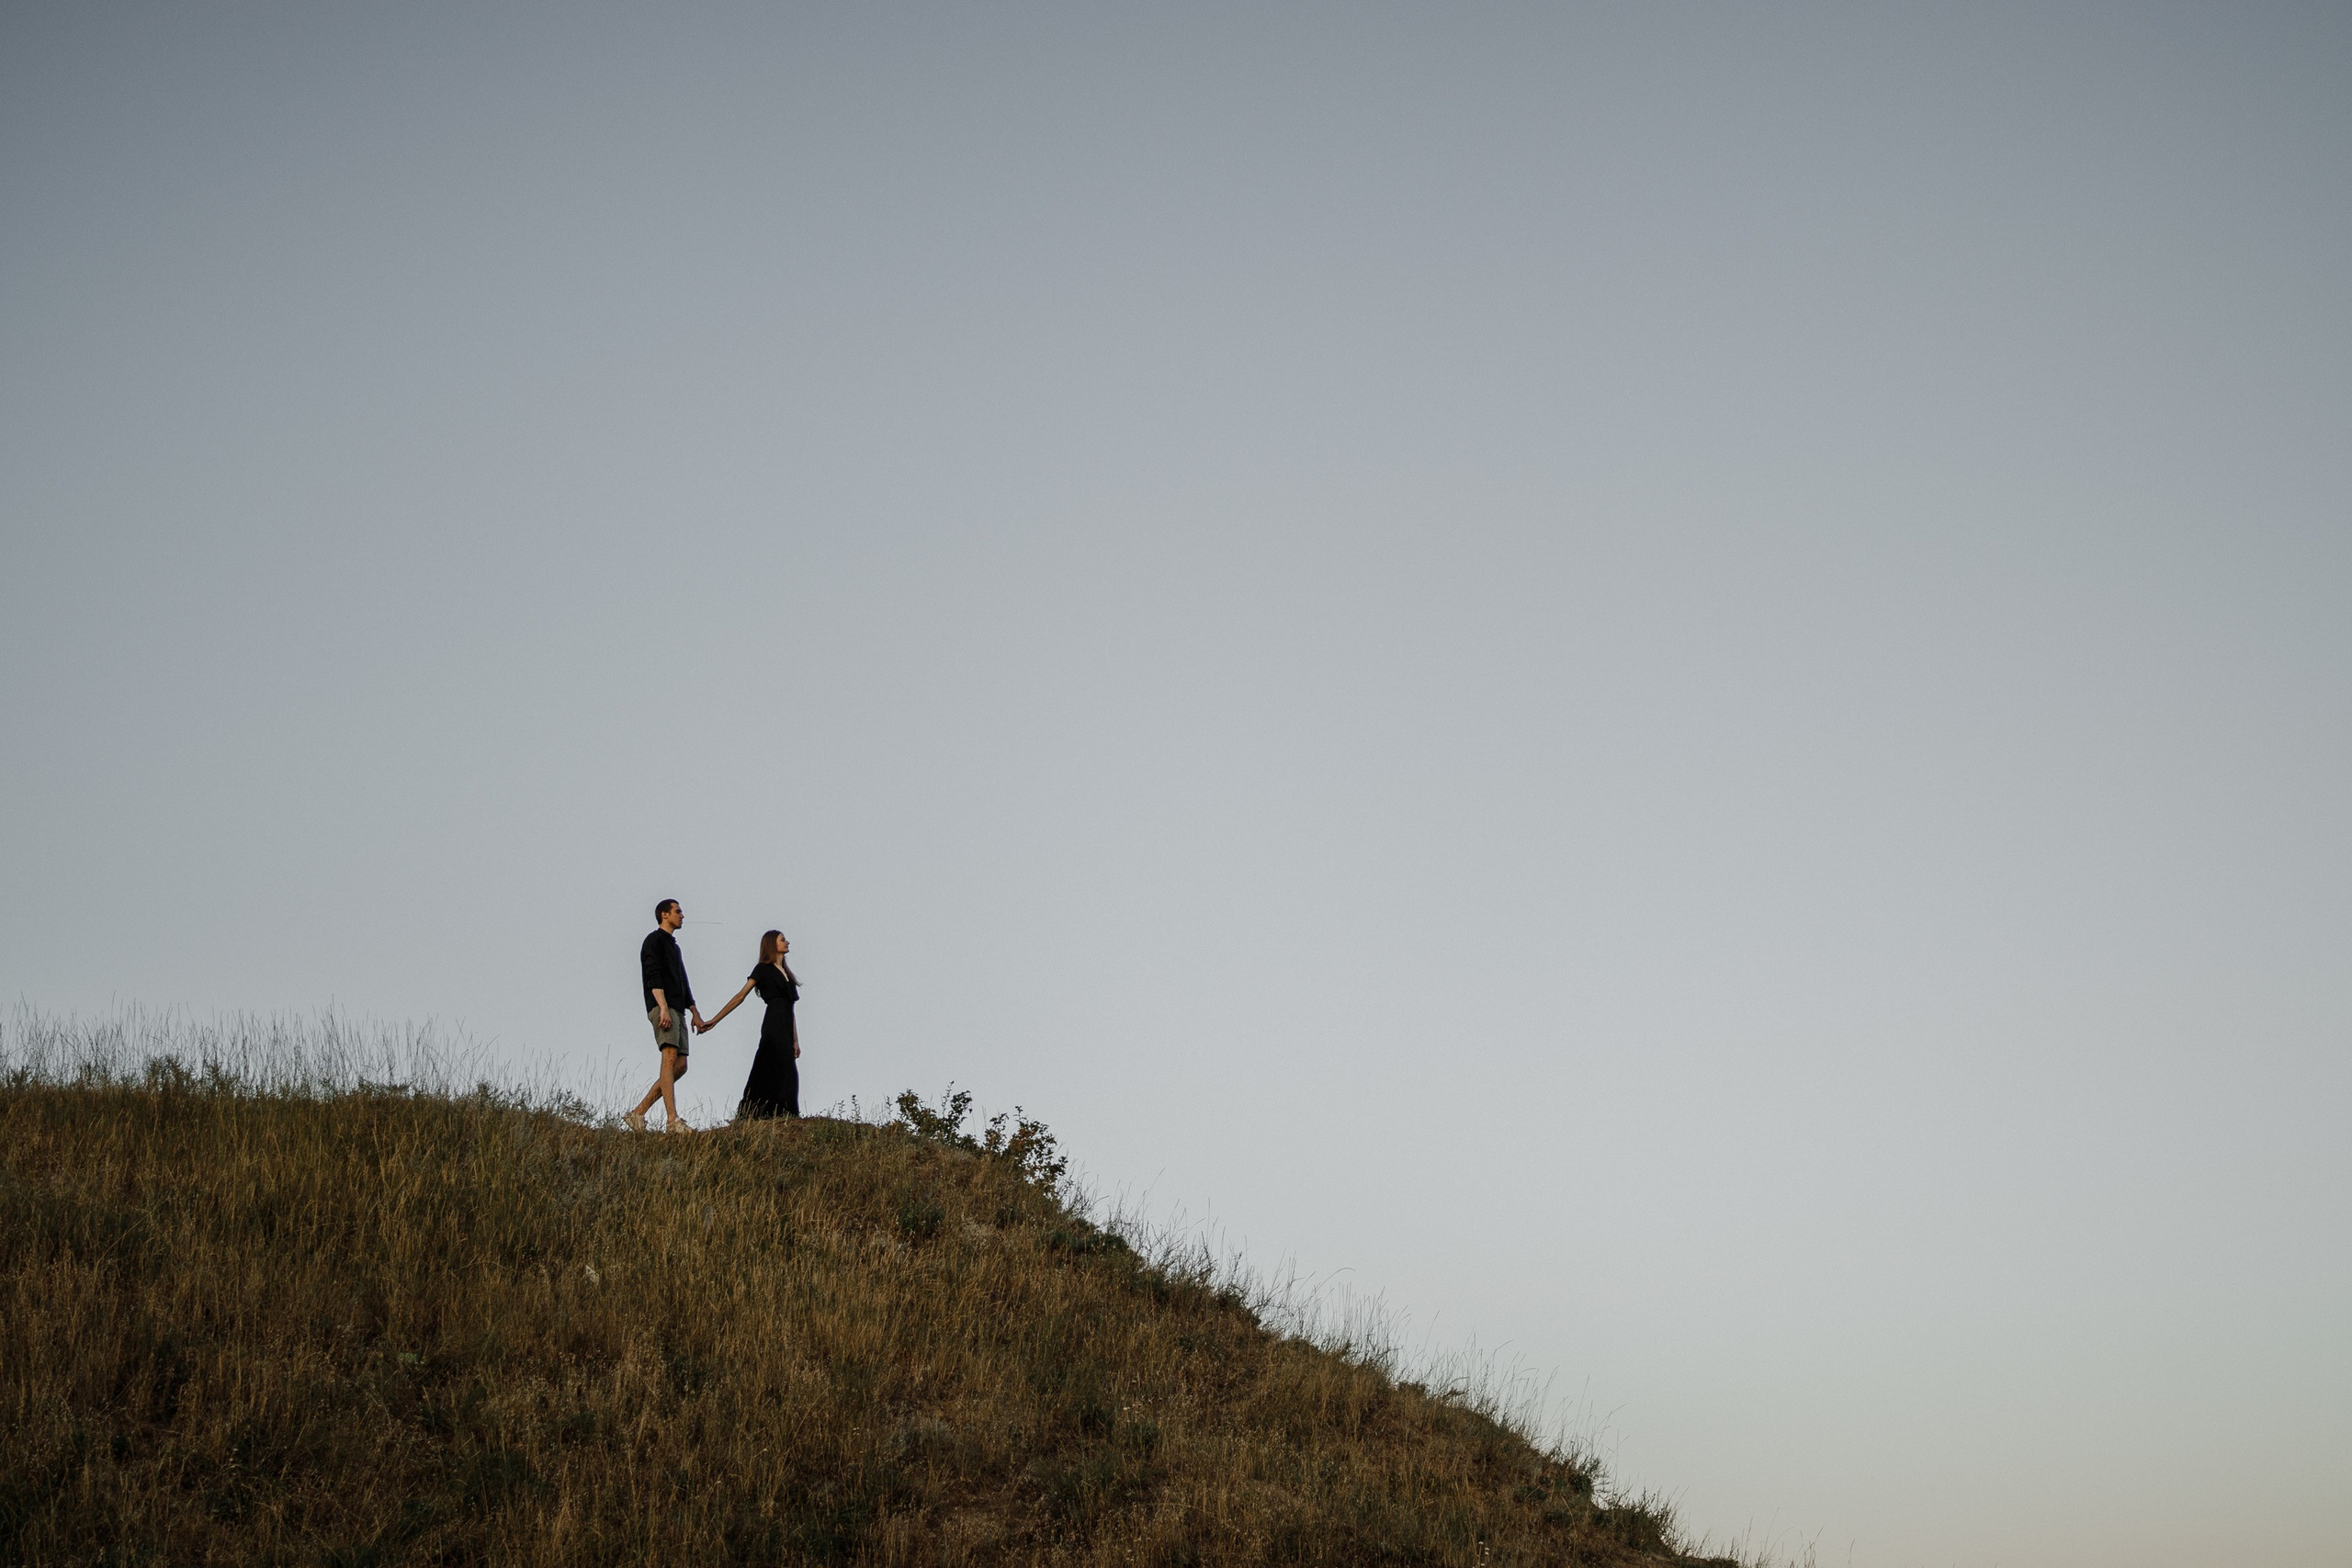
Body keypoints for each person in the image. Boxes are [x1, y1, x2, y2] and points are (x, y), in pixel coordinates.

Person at [698, 930, 801, 1122]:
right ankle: (754, 1112)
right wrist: (715, 1019)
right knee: (770, 1065)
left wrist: (795, 1040)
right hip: (773, 1022)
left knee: (788, 1070)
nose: (787, 942)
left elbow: (792, 1009)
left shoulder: (787, 974)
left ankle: (784, 1115)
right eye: (782, 940)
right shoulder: (762, 969)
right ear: (772, 944)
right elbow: (740, 996)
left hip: (787, 1026)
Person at [626, 899, 704, 1132]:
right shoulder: (654, 940)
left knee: (680, 1065)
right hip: (663, 1006)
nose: (682, 915)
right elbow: (653, 975)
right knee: (669, 1057)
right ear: (664, 914)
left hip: (677, 1009)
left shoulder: (674, 946)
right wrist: (662, 1008)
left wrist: (694, 1011)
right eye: (678, 911)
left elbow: (682, 980)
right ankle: (673, 1121)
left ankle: (637, 1113)